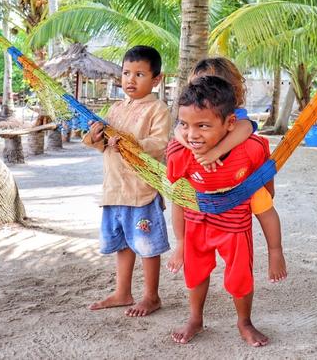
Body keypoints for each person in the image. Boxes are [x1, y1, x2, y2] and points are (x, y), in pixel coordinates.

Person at [166, 76, 276, 346]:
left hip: (234, 223)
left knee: (240, 277)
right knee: (196, 273)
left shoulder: (249, 149)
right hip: (197, 219)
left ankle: (244, 321)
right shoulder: (181, 152)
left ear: (229, 124)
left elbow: (266, 180)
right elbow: (178, 196)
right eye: (185, 125)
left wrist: (276, 251)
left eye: (203, 126)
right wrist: (180, 242)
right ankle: (195, 318)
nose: (192, 135)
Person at [170, 57, 287, 283]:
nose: (204, 92)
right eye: (198, 85)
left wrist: (214, 152)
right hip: (201, 182)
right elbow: (177, 130)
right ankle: (181, 244)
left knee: (264, 203)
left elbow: (244, 129)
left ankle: (275, 250)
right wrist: (195, 150)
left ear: (230, 89)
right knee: (179, 196)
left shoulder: (236, 116)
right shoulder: (191, 119)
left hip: (239, 180)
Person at [83, 45, 170, 317]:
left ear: (156, 79)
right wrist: (95, 138)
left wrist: (132, 144)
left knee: (147, 245)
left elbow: (160, 144)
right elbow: (103, 146)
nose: (130, 80)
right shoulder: (115, 109)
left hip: (141, 190)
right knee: (122, 244)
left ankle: (151, 296)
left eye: (140, 74)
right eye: (126, 73)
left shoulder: (157, 109)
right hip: (114, 189)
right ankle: (123, 292)